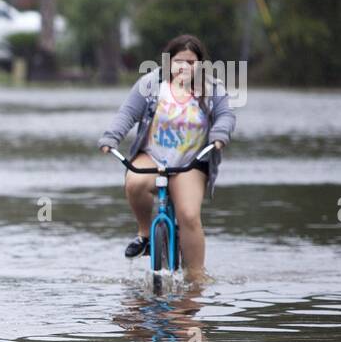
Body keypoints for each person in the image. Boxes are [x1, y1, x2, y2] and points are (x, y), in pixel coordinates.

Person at [98, 33, 237, 279]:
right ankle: (145, 235)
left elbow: (226, 115)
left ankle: (195, 276)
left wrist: (219, 135)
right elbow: (127, 114)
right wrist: (111, 138)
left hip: (190, 163)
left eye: (191, 62)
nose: (184, 67)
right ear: (169, 62)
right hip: (152, 156)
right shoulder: (151, 84)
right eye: (179, 61)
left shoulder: (212, 88)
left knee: (189, 216)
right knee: (135, 182)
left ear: (200, 65)